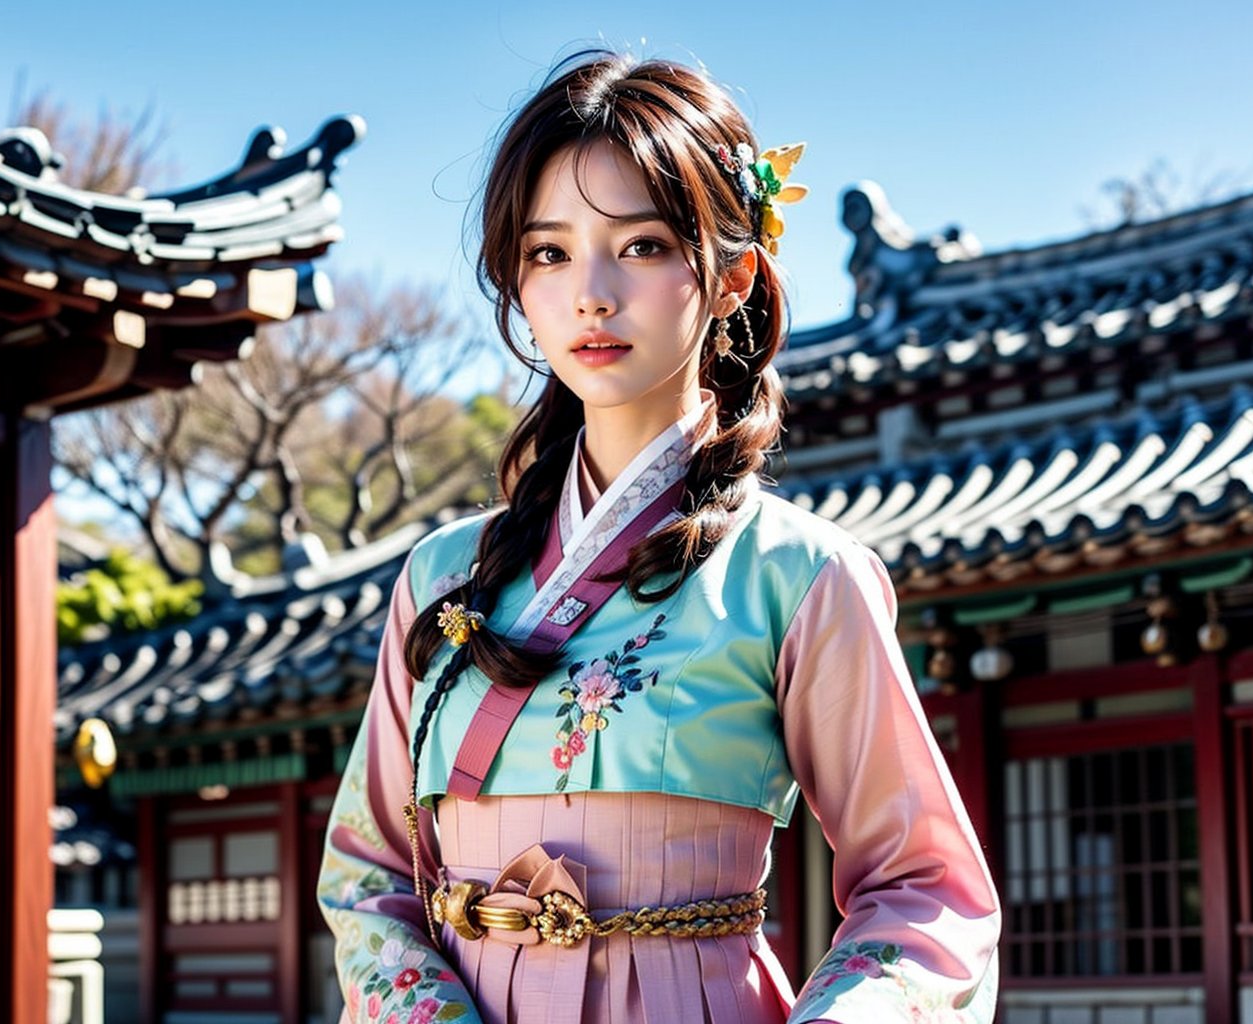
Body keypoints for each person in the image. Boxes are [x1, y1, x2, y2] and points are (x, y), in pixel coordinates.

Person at [318, 51, 1000, 1024]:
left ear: (732, 278)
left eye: (638, 244)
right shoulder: (442, 578)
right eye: (548, 251)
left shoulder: (800, 576)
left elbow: (929, 889)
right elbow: (366, 875)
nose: (589, 293)